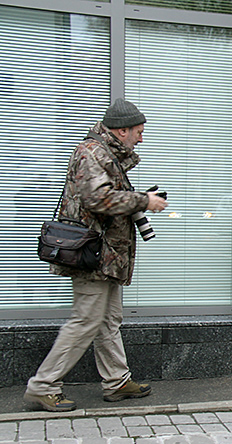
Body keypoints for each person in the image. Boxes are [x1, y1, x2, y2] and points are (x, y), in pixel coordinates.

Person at [23, 98, 169, 412]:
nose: (141, 138)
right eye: (139, 132)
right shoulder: (91, 154)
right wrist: (143, 201)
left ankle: (117, 381)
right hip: (94, 255)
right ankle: (43, 386)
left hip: (108, 255)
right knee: (85, 321)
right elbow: (97, 199)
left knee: (108, 320)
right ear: (122, 130)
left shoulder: (107, 154)